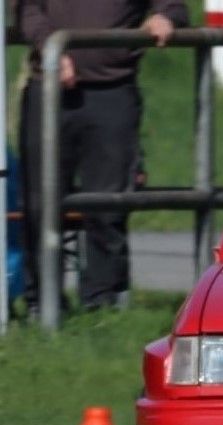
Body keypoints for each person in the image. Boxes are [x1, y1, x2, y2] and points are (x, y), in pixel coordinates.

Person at [14, 0, 190, 316]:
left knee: (108, 205)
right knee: (40, 202)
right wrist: (51, 49)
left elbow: (174, 6)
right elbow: (26, 9)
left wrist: (165, 17)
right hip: (47, 88)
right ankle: (41, 301)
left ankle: (103, 303)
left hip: (113, 91)